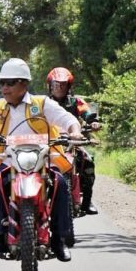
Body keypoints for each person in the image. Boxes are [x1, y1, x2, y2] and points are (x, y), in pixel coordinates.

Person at [0, 58, 83, 262]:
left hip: (42, 160)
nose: (4, 88)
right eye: (2, 83)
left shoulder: (42, 103)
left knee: (60, 184)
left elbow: (67, 120)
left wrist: (75, 132)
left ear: (24, 84)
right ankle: (0, 235)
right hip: (9, 160)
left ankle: (59, 239)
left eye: (10, 83)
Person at [46, 67, 101, 215]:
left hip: (73, 142)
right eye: (56, 84)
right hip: (50, 143)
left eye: (63, 84)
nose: (59, 87)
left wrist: (93, 121)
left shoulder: (76, 101)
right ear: (50, 85)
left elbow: (87, 112)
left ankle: (87, 202)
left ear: (69, 86)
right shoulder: (43, 103)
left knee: (88, 162)